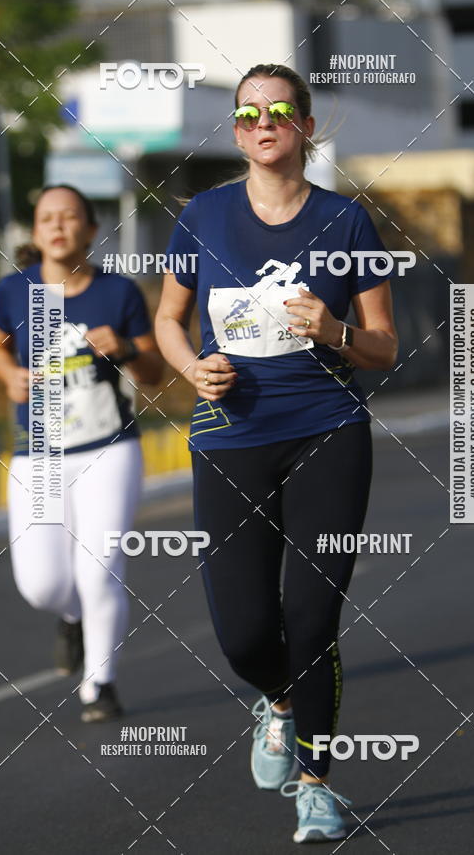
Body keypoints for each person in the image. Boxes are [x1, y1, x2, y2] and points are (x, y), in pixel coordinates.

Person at [155, 63, 398, 843]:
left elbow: (385, 346)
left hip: (328, 430)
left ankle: (317, 784)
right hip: (229, 438)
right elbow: (168, 319)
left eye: (281, 110)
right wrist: (192, 367)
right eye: (249, 113)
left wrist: (333, 332)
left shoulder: (348, 221)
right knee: (247, 633)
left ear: (307, 126)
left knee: (313, 616)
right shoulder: (201, 215)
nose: (265, 123)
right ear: (236, 130)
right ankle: (279, 701)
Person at [0, 184, 163, 722]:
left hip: (109, 448)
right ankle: (69, 618)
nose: (58, 226)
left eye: (69, 217)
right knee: (41, 584)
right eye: (46, 219)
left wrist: (127, 350)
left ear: (89, 229)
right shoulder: (16, 291)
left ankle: (99, 685)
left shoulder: (117, 294)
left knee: (100, 566)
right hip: (37, 450)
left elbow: (154, 374)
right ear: (36, 234)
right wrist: (9, 372)